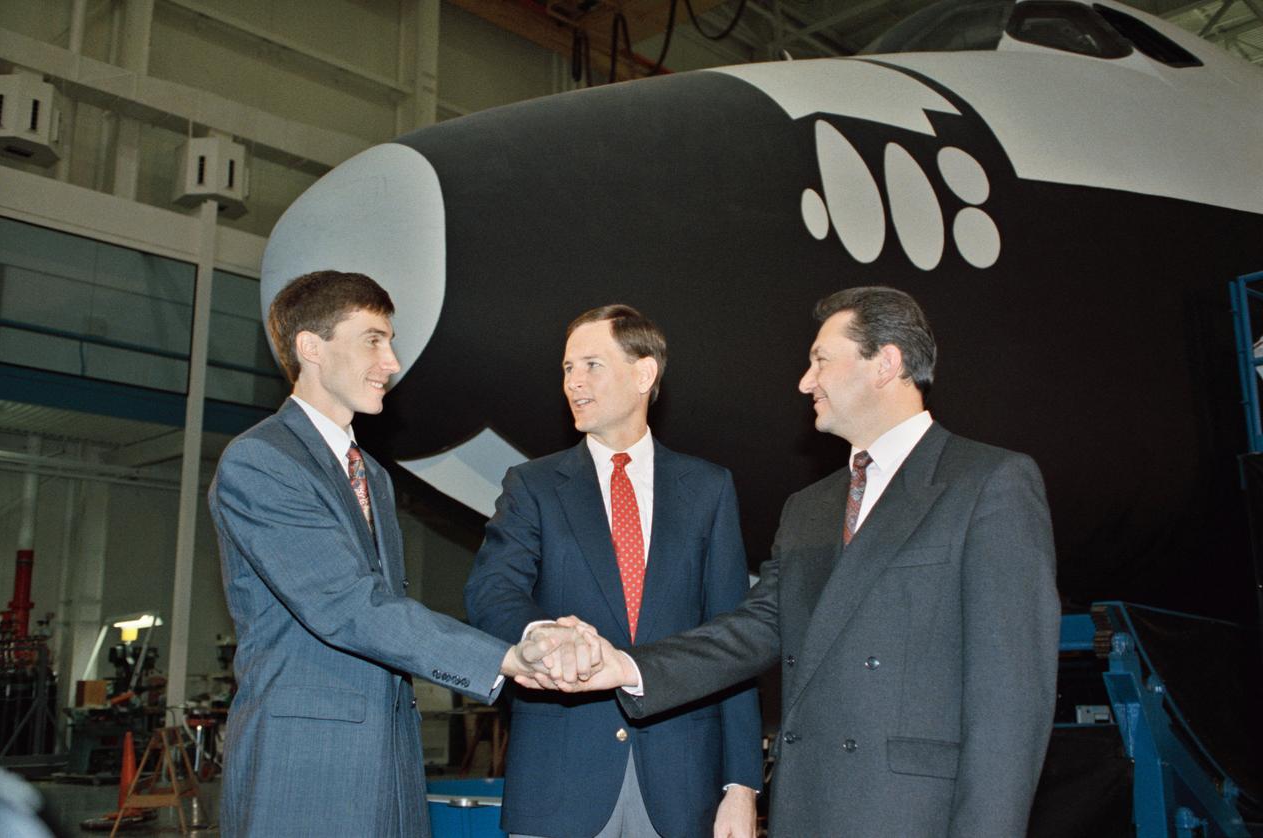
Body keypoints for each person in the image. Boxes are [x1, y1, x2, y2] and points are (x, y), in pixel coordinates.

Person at [553, 287, 1060, 837]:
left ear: (885, 363)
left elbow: (1010, 704)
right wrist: (627, 666)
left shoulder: (988, 484)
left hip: (914, 817)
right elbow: (755, 628)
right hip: (809, 810)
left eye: (820, 360)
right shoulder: (810, 507)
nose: (805, 381)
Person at [208, 270, 593, 837]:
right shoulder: (261, 462)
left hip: (388, 764)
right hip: (305, 766)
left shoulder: (373, 478)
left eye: (391, 342)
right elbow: (348, 606)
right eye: (372, 340)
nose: (391, 362)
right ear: (310, 347)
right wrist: (502, 658)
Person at [464, 304, 762, 838]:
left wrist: (740, 786)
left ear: (644, 373)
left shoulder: (708, 490)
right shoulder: (532, 486)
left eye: (591, 365)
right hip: (558, 786)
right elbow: (493, 589)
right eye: (566, 369)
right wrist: (541, 634)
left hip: (681, 789)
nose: (574, 383)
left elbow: (733, 641)